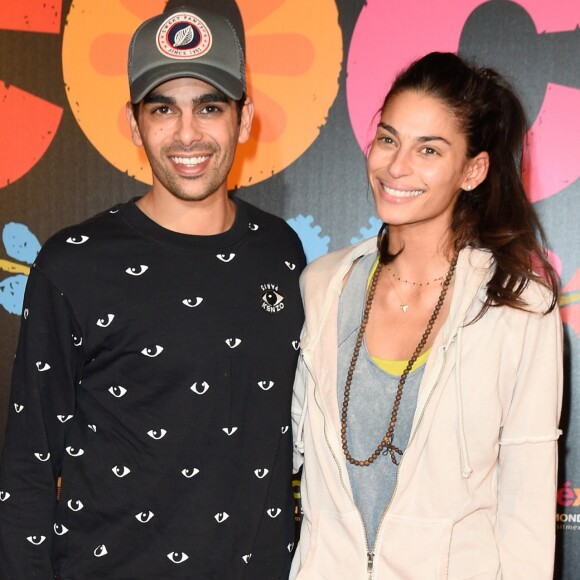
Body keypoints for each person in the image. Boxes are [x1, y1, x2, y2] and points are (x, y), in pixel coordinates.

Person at [0, 4, 305, 579]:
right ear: (135, 124)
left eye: (209, 107)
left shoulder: (282, 253)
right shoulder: (74, 264)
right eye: (163, 108)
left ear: (244, 120)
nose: (187, 133)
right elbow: (28, 469)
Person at [290, 51, 562, 579]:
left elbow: (526, 510)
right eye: (388, 138)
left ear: (473, 170)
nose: (396, 166)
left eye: (429, 149)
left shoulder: (519, 308)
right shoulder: (321, 285)